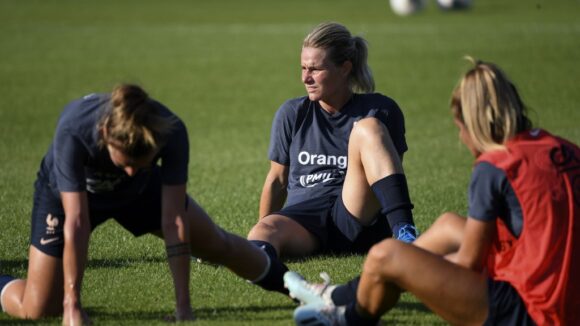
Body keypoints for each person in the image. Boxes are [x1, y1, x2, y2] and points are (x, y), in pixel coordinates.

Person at [286, 58, 580, 325]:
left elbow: (469, 263)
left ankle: (347, 314)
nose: (462, 138)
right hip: (567, 294)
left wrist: (409, 271)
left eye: (459, 128)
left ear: (472, 122)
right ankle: (339, 296)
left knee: (387, 255)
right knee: (449, 225)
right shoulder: (565, 149)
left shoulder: (495, 166)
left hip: (535, 311)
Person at [0, 84, 275, 325]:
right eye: (126, 163)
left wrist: (183, 306)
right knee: (37, 309)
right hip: (68, 196)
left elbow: (174, 220)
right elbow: (77, 221)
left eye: (141, 161)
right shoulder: (75, 129)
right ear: (106, 134)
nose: (129, 171)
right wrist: (72, 305)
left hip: (140, 192)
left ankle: (300, 288)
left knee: (217, 244)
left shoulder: (171, 129)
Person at [246, 21, 418, 295]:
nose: (306, 77)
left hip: (354, 212)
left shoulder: (380, 109)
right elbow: (277, 180)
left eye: (315, 69)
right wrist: (263, 227)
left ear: (345, 68)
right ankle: (304, 291)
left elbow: (388, 175)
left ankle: (407, 237)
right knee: (260, 235)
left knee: (367, 127)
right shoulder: (292, 113)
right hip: (305, 221)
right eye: (303, 68)